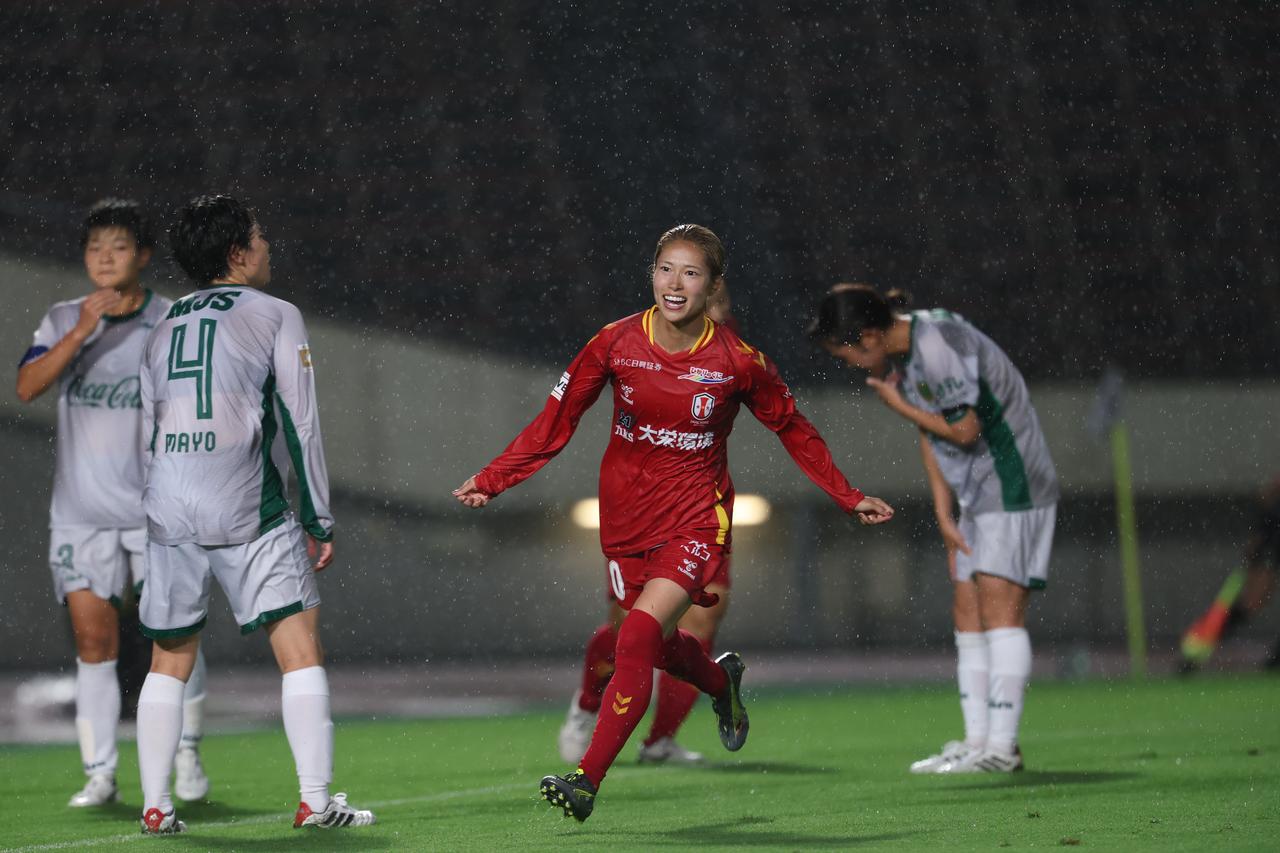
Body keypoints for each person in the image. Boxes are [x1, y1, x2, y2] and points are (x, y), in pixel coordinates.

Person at [455, 225, 894, 821]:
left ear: (712, 286)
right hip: (625, 522)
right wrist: (493, 477)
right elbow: (556, 419)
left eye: (690, 273)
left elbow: (794, 427)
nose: (675, 283)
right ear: (652, 274)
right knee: (650, 643)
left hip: (695, 521)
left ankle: (586, 780)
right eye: (666, 269)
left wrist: (848, 495)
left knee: (635, 638)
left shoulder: (738, 362)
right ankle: (720, 683)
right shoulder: (614, 342)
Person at [134, 195, 374, 834]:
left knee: (169, 657)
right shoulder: (275, 313)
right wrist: (319, 517)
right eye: (260, 236)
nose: (268, 244)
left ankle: (156, 807)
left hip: (166, 503)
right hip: (244, 502)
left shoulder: (160, 326)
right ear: (238, 252)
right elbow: (301, 423)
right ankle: (316, 801)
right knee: (300, 649)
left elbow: (147, 428)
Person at [808, 284, 1058, 774]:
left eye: (848, 353)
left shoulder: (937, 346)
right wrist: (945, 515)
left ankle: (1003, 747)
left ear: (872, 337)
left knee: (1000, 609)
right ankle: (978, 740)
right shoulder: (906, 354)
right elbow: (933, 434)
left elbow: (965, 431)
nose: (852, 365)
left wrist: (896, 403)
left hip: (1012, 481)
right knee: (967, 608)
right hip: (975, 492)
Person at [15, 199, 211, 809]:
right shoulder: (62, 318)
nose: (104, 257)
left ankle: (187, 754)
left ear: (144, 256)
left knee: (173, 637)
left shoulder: (173, 320)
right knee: (92, 644)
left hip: (160, 510)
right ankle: (100, 772)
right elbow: (25, 387)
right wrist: (80, 333)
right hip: (83, 512)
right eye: (94, 247)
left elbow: (202, 401)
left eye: (118, 246)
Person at [556, 283, 738, 768]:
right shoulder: (637, 340)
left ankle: (659, 740)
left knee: (702, 620)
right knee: (633, 632)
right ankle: (588, 705)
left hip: (699, 509)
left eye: (721, 301)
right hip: (641, 510)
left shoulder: (730, 353)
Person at [1180, 476, 1280, 670]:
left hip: (1271, 535)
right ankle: (1196, 650)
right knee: (1253, 601)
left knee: (1254, 600)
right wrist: (1260, 534)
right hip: (1273, 537)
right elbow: (1266, 494)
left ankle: (1275, 659)